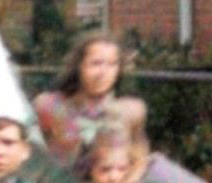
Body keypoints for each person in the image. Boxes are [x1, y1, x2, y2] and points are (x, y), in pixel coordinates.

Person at [33, 32, 149, 171]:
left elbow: (140, 161)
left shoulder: (131, 110)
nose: (103, 72)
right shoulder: (51, 105)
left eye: (112, 64)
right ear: (79, 66)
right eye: (96, 63)